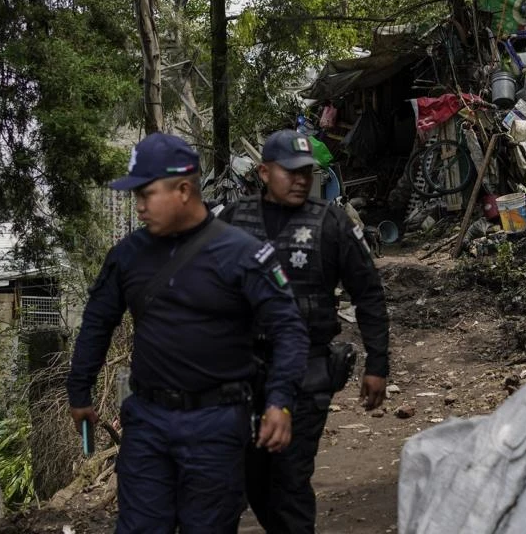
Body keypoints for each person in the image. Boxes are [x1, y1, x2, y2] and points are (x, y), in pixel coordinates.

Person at [67, 132, 309, 533]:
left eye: (146, 194)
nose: (139, 206)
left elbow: (289, 329)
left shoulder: (242, 254)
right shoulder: (127, 256)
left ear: (183, 190)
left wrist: (279, 403)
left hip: (216, 423)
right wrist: (80, 392)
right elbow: (97, 323)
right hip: (146, 420)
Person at [219, 129, 391, 534]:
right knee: (250, 478)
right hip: (241, 374)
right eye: (290, 171)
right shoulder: (232, 221)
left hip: (305, 373)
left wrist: (377, 365)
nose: (301, 179)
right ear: (263, 172)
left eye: (307, 172)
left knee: (290, 480)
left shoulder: (330, 222)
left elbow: (368, 293)